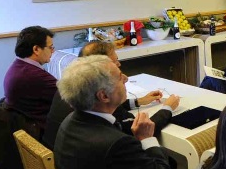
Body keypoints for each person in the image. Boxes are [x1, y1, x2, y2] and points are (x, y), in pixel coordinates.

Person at [54, 55, 189, 169]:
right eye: (119, 76)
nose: (125, 78)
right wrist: (146, 139)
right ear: (103, 95)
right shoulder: (116, 144)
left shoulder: (69, 123)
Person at [44, 41, 180, 149]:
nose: (120, 64)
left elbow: (108, 104)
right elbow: (138, 129)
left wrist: (138, 101)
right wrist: (167, 108)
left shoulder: (74, 89)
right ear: (101, 65)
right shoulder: (115, 141)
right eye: (115, 63)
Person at [3, 25, 58, 132]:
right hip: (42, 131)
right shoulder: (35, 76)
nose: (53, 51)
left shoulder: (18, 66)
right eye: (50, 47)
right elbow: (70, 98)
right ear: (36, 49)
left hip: (25, 125)